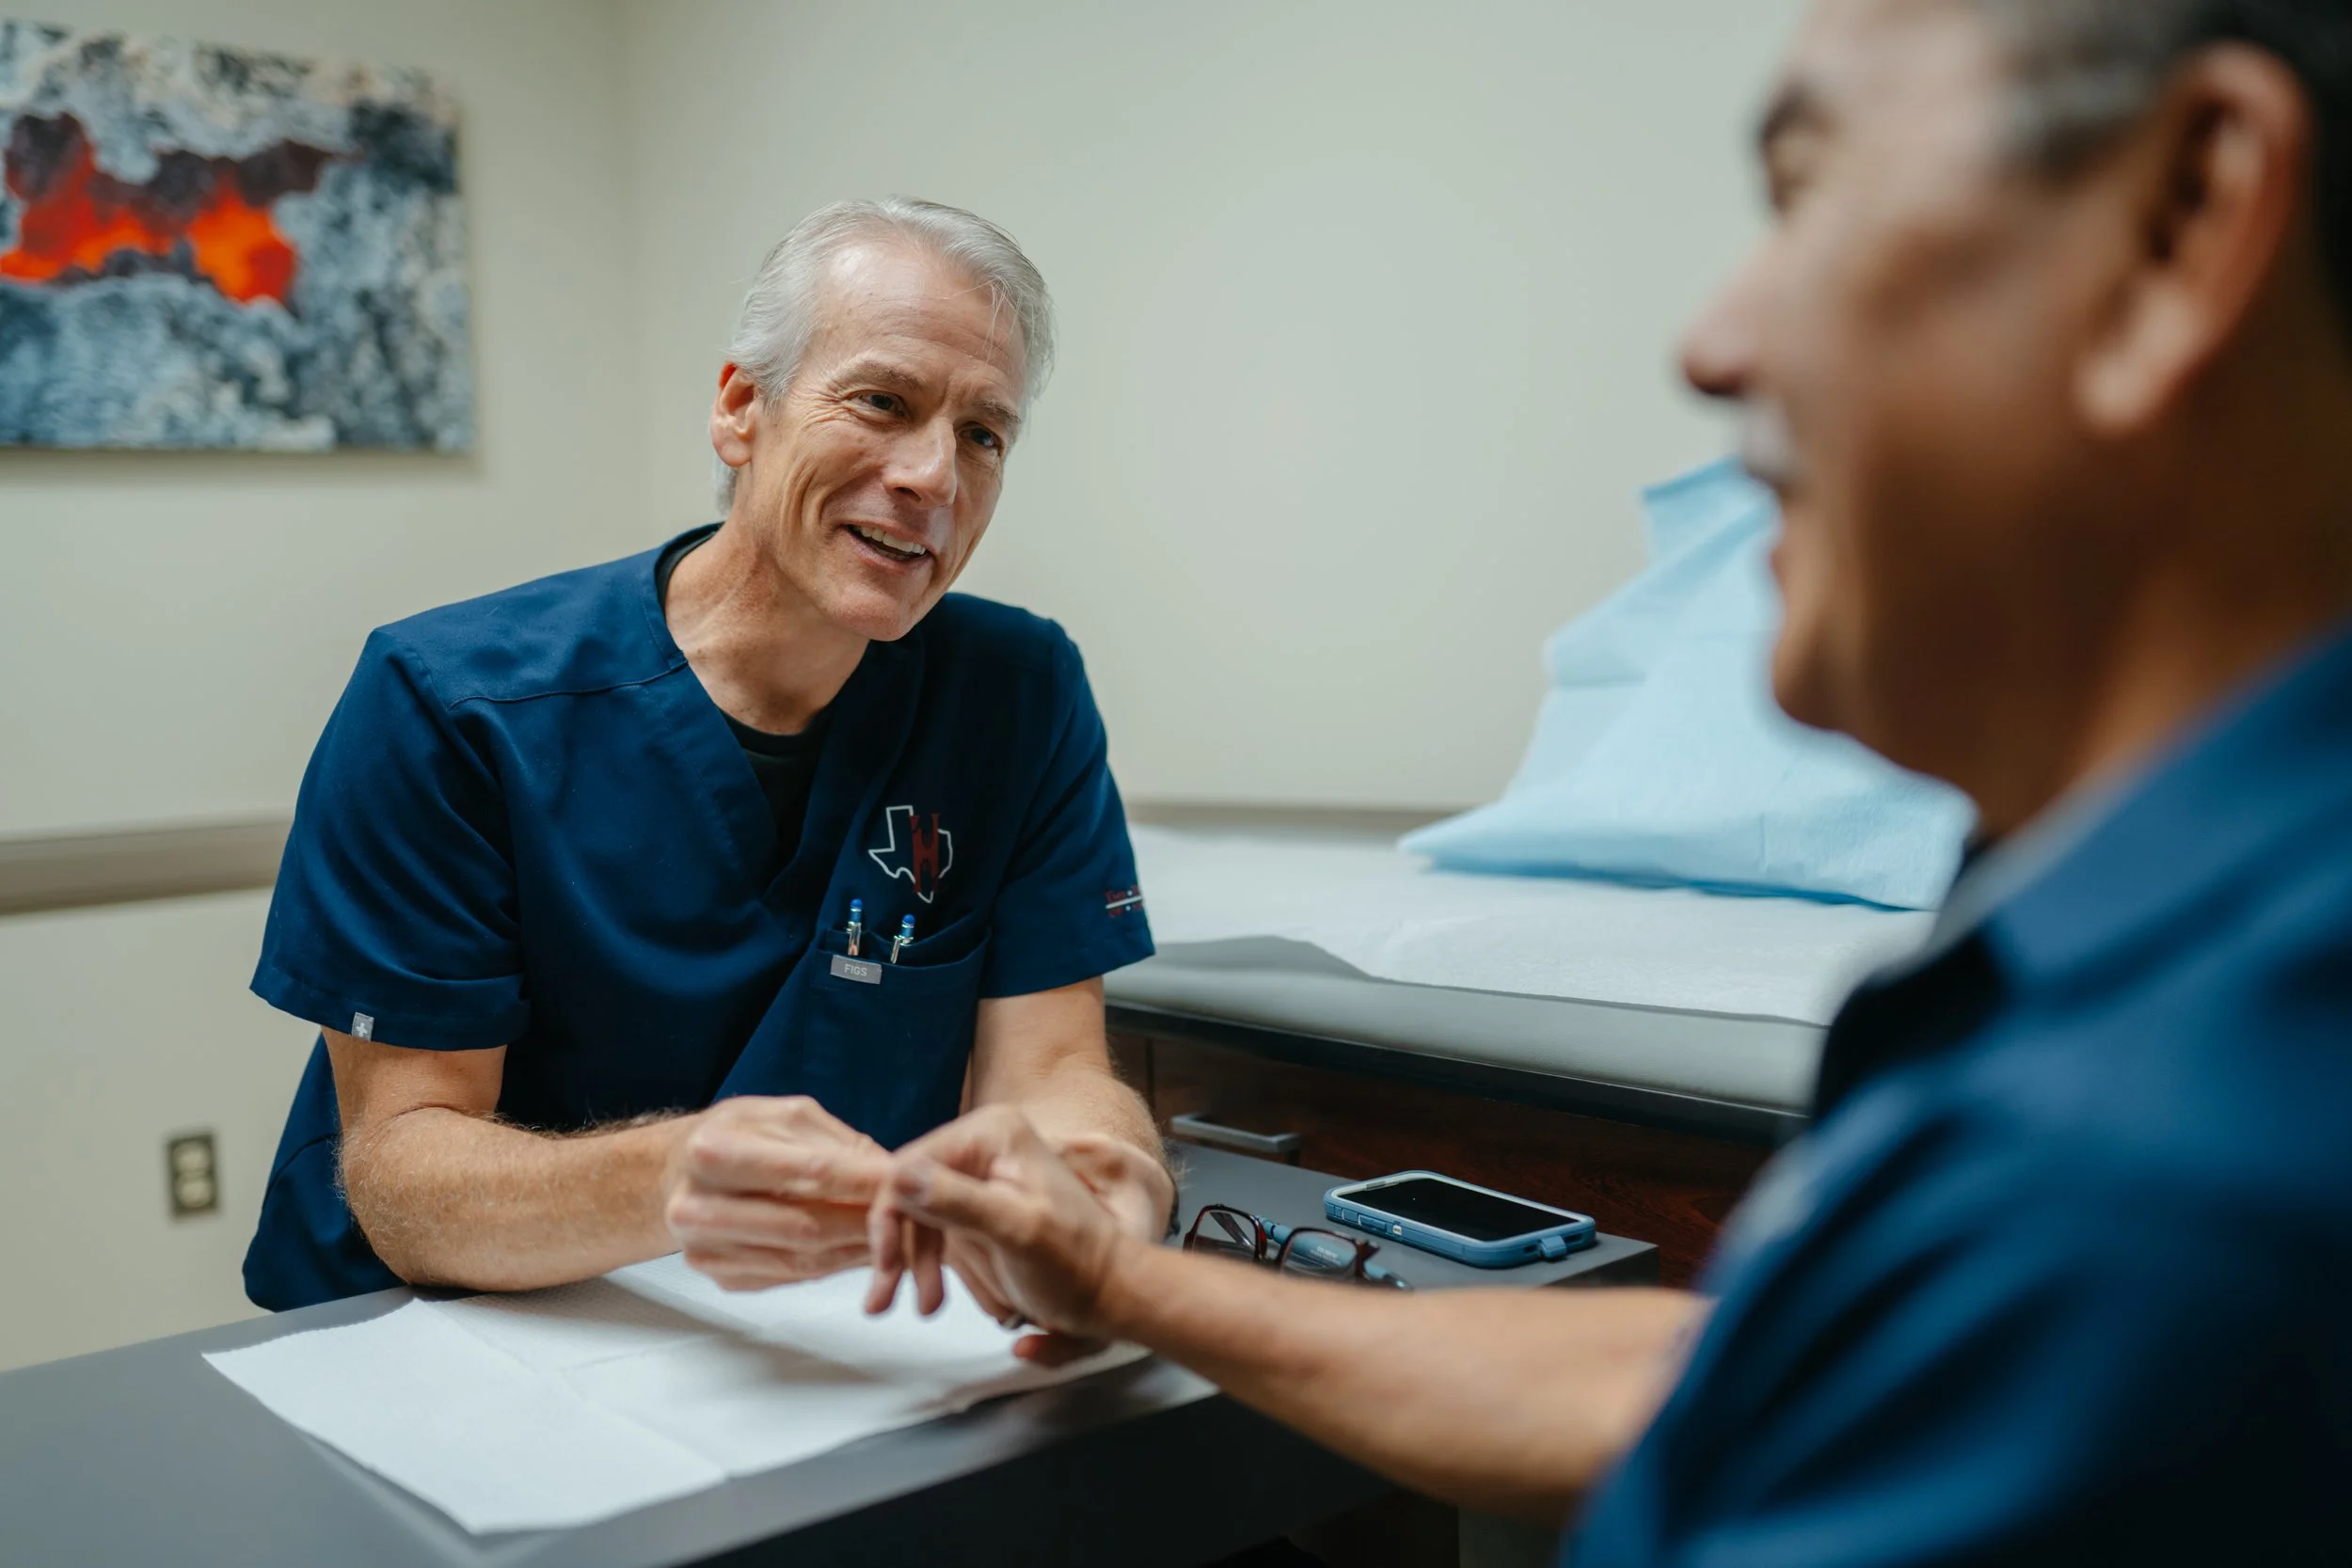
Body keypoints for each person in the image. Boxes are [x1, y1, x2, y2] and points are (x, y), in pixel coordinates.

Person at [864, 2, 2352, 1560]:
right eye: (886, 403)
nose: (1710, 344)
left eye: (1807, 192)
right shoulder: (2136, 986)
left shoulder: (2163, 1180)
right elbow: (1749, 1376)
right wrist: (1128, 1284)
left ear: (2187, 219)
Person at [243, 198, 1172, 1314]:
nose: (935, 475)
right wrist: (677, 1174)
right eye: (882, 401)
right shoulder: (452, 703)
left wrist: (1104, 1175)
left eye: (983, 433)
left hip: (826, 1329)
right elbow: (404, 1173)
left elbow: (1052, 1067)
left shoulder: (1016, 694)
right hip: (448, 1333)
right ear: (740, 409)